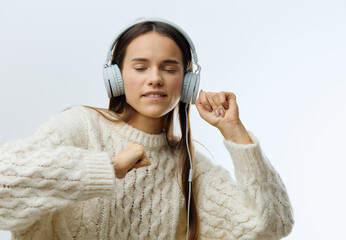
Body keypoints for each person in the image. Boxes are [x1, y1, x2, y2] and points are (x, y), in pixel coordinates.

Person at [0, 18, 294, 240]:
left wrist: (234, 131)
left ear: (188, 83)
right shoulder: (82, 127)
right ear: (116, 77)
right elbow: (5, 184)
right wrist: (108, 169)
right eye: (140, 67)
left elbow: (270, 226)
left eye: (169, 67)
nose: (155, 78)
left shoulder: (190, 167)